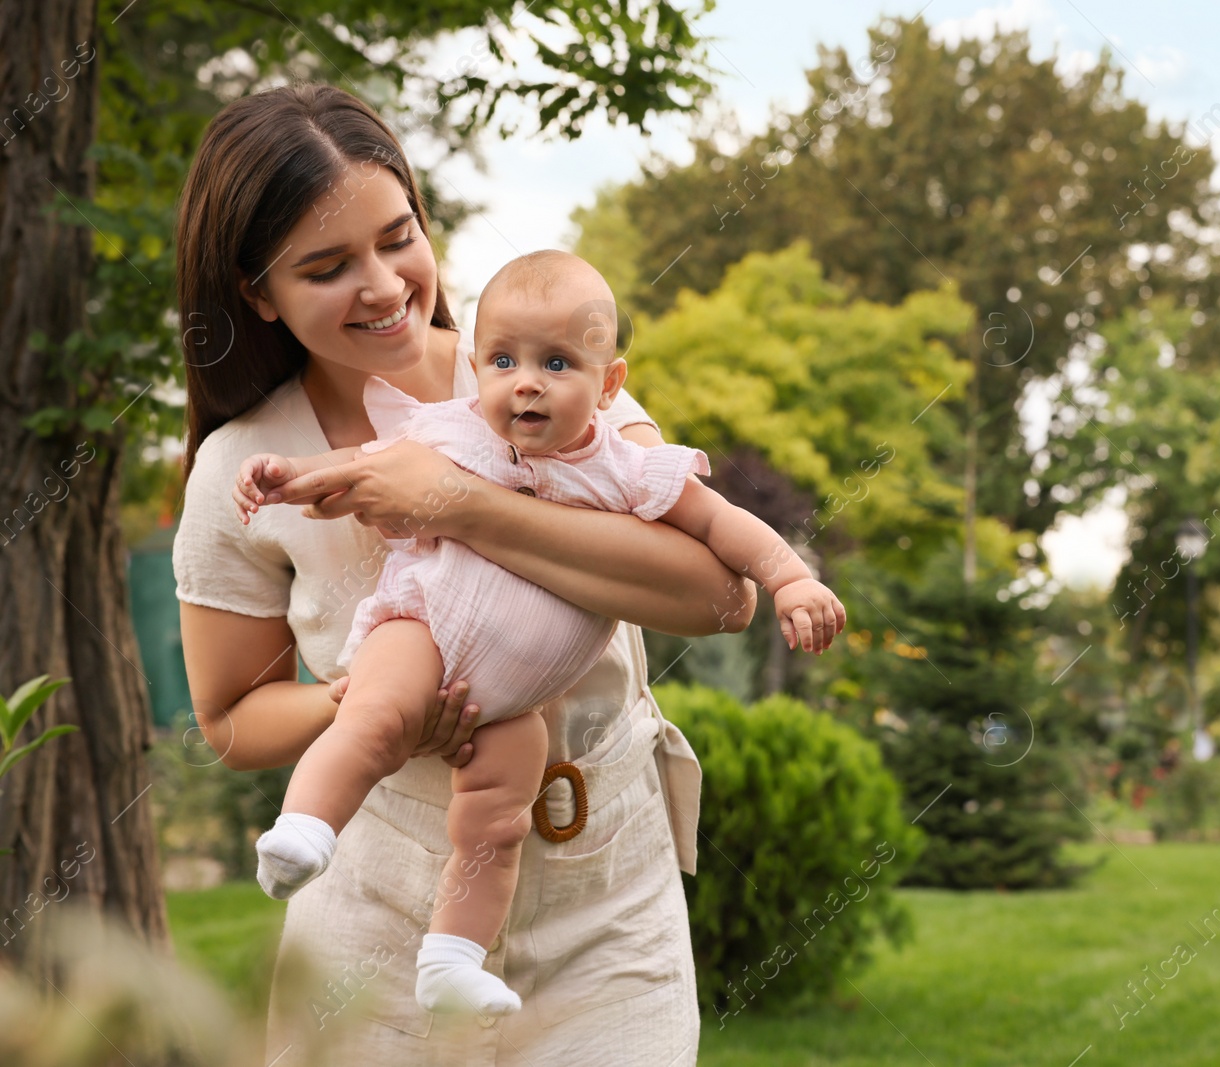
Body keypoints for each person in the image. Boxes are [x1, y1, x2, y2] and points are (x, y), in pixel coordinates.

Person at [174, 83, 758, 1065]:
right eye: (326, 266)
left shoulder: (545, 378)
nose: (383, 283)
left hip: (607, 903)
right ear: (258, 293)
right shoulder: (245, 468)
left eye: (397, 237)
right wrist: (365, 705)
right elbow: (230, 716)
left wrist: (457, 504)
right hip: (375, 911)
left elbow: (716, 593)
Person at [232, 249, 845, 1017]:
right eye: (502, 359)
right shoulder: (452, 433)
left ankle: (451, 958)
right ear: (479, 368)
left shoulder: (624, 467)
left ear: (609, 384)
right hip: (421, 630)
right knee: (376, 715)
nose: (526, 381)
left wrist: (790, 577)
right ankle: (305, 828)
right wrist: (291, 476)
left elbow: (721, 525)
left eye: (557, 362)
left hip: (518, 704)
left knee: (496, 821)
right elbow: (359, 464)